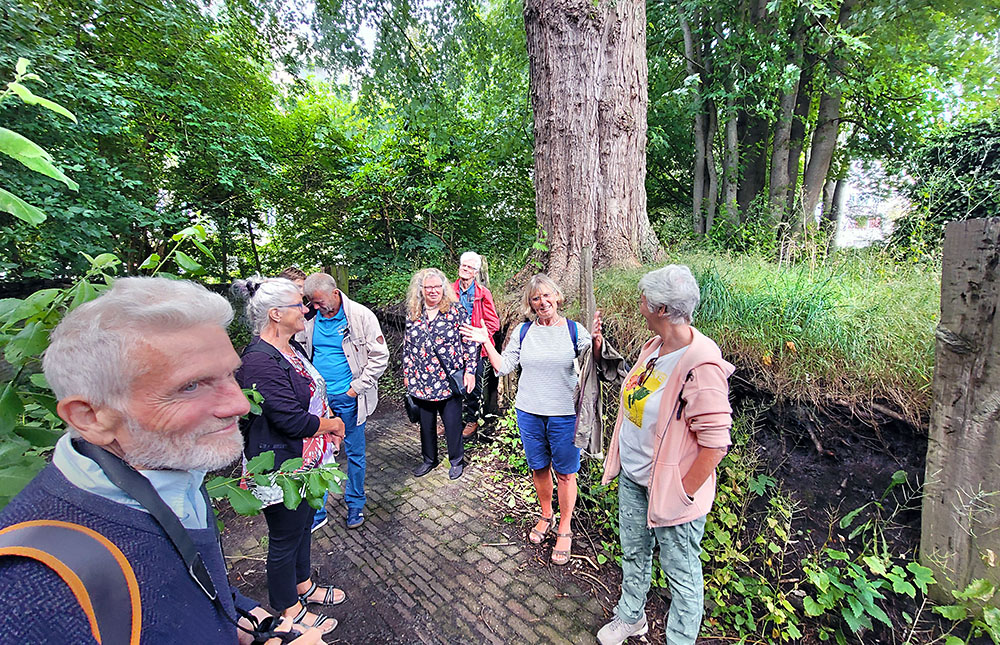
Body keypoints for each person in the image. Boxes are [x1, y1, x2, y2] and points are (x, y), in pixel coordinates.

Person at [0, 277, 321, 644]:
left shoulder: (173, 471)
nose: (239, 404)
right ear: (90, 417)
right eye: (190, 386)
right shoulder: (28, 596)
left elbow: (195, 591)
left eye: (230, 374)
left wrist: (243, 617)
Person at [595, 265, 734, 645]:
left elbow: (716, 443)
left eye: (642, 298)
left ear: (659, 308)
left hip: (673, 494)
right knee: (634, 553)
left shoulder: (701, 363)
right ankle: (631, 618)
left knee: (682, 574)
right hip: (635, 479)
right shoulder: (653, 348)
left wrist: (682, 492)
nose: (638, 303)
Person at [233, 277, 347, 636]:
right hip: (281, 467)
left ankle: (302, 585)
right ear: (275, 314)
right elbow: (292, 420)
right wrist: (333, 424)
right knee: (285, 537)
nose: (306, 309)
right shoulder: (259, 361)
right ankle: (288, 609)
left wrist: (328, 433)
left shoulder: (289, 348)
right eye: (299, 304)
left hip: (307, 462)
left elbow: (312, 393)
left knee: (301, 528)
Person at [462, 273, 593, 565]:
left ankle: (565, 527)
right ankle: (546, 514)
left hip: (565, 416)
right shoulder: (522, 331)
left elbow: (593, 359)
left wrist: (595, 343)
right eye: (536, 298)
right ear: (530, 304)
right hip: (529, 413)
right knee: (538, 468)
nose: (543, 302)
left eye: (547, 296)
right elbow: (504, 366)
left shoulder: (575, 331)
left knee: (566, 473)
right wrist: (486, 342)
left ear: (558, 297)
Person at [302, 272, 389, 530]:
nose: (316, 308)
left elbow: (380, 356)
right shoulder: (307, 320)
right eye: (312, 303)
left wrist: (355, 389)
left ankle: (355, 504)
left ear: (335, 293)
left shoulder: (361, 317)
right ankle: (318, 511)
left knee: (354, 453)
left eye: (319, 302)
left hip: (348, 398)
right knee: (316, 455)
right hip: (318, 401)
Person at [402, 268, 477, 480]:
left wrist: (470, 371)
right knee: (426, 425)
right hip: (422, 379)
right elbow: (408, 345)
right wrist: (407, 372)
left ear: (443, 289)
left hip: (448, 378)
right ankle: (429, 459)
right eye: (429, 287)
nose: (433, 291)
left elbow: (469, 342)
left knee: (452, 424)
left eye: (437, 287)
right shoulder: (414, 313)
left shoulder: (455, 311)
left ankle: (456, 461)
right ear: (421, 289)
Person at [452, 251, 500, 440]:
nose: (465, 269)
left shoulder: (482, 293)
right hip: (452, 347)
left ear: (476, 272)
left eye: (470, 267)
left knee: (474, 385)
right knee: (450, 383)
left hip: (476, 349)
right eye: (463, 265)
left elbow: (493, 323)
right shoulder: (449, 290)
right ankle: (450, 419)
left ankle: (471, 420)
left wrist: (479, 337)